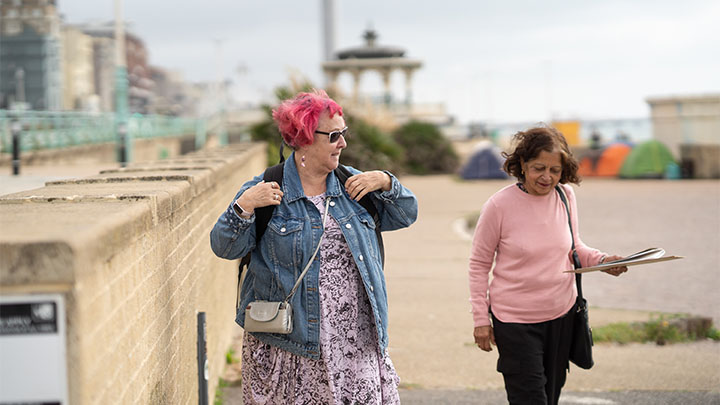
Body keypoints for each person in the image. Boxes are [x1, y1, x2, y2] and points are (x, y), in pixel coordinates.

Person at [210, 89, 418, 404]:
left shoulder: (355, 185)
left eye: (344, 133)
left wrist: (388, 183)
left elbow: (407, 214)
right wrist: (244, 207)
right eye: (334, 136)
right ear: (305, 138)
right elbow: (224, 246)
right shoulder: (266, 189)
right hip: (288, 347)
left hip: (355, 342)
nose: (343, 143)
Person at [467, 125, 627, 405]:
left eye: (555, 170)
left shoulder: (566, 196)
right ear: (522, 165)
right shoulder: (498, 206)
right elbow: (479, 264)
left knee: (550, 398)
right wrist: (481, 319)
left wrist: (603, 261)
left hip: (561, 316)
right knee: (530, 399)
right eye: (539, 168)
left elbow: (574, 247)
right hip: (515, 323)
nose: (547, 177)